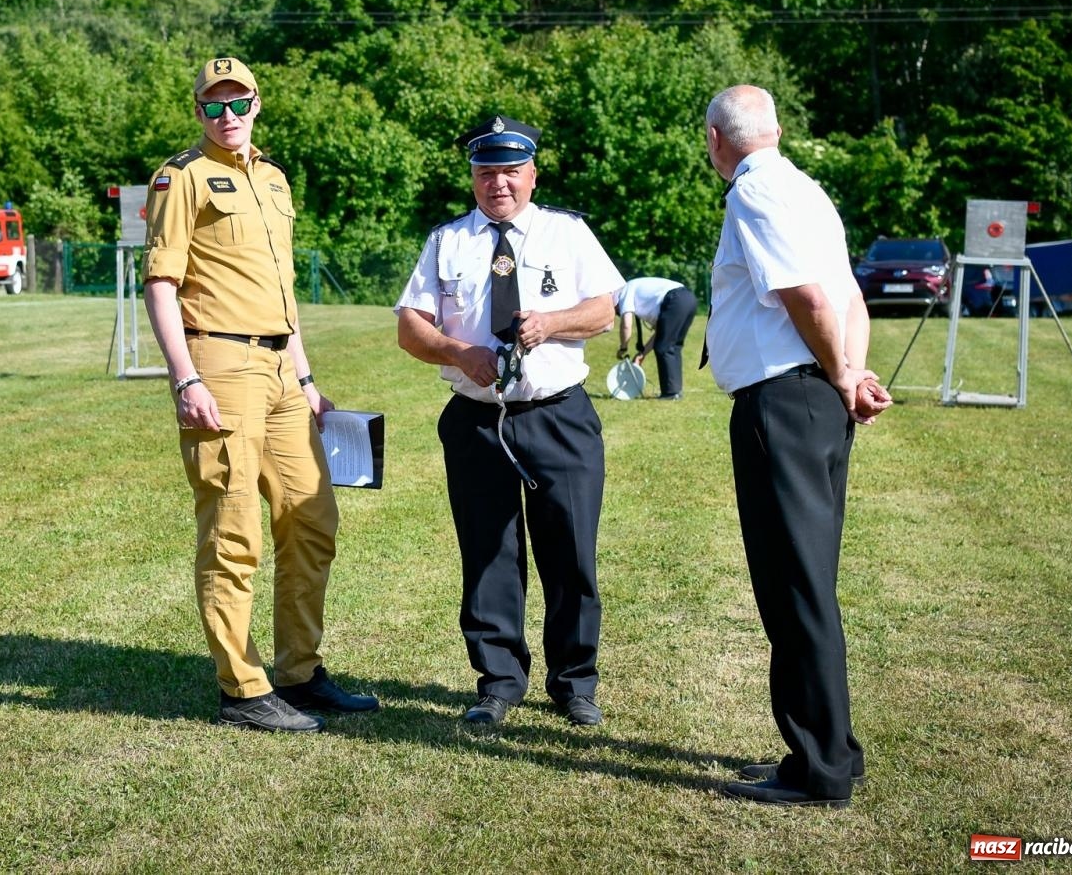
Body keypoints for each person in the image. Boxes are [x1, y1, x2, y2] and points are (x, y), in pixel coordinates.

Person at [143, 57, 379, 733]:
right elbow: (161, 282)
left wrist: (305, 377)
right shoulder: (181, 178)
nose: (227, 116)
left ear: (256, 103)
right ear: (198, 112)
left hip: (279, 367)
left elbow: (284, 293)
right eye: (212, 106)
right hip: (218, 359)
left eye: (237, 102)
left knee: (311, 517)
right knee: (233, 524)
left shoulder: (273, 178)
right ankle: (242, 690)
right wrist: (185, 376)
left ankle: (299, 674)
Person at [395, 117, 624, 728]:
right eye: (487, 171)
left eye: (511, 171)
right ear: (473, 176)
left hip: (557, 415)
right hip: (475, 417)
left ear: (532, 174)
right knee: (489, 552)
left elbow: (604, 309)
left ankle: (575, 683)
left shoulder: (566, 232)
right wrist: (456, 352)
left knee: (570, 550)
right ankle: (498, 680)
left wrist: (550, 323)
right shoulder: (448, 242)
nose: (499, 182)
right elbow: (410, 325)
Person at [702, 85, 892, 807]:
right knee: (807, 583)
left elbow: (808, 299)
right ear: (777, 130)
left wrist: (845, 375)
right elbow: (850, 297)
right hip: (815, 397)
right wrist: (851, 375)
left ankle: (819, 770)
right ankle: (834, 749)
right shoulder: (808, 190)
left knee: (793, 587)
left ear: (716, 141)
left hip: (782, 404)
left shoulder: (753, 195)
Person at [613, 276, 698, 400]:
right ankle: (675, 392)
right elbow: (660, 334)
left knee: (664, 347)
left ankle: (670, 394)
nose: (619, 312)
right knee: (673, 347)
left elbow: (626, 324)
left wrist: (623, 348)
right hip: (689, 299)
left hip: (675, 299)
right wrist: (642, 354)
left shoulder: (624, 291)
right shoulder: (645, 299)